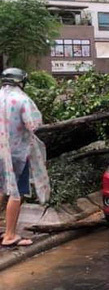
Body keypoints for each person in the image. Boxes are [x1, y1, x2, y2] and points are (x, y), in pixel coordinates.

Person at [0, 68, 50, 247]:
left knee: (0, 190)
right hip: (16, 154)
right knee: (16, 194)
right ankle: (10, 235)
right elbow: (34, 124)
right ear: (21, 81)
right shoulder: (22, 99)